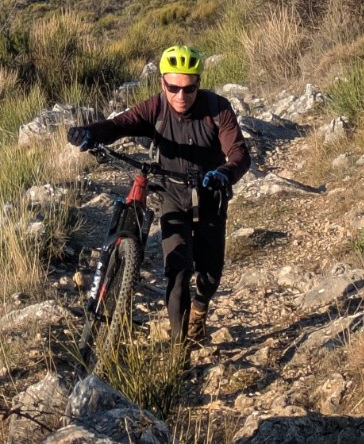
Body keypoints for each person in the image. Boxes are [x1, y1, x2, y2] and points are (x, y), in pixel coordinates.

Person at [67, 45, 250, 346]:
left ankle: (201, 308)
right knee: (178, 271)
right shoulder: (155, 108)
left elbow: (239, 154)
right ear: (162, 82)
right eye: (173, 87)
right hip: (172, 197)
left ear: (198, 84)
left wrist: (224, 174)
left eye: (189, 88)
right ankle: (180, 349)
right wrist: (89, 133)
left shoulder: (218, 108)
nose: (181, 95)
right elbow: (118, 125)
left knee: (209, 275)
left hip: (210, 198)